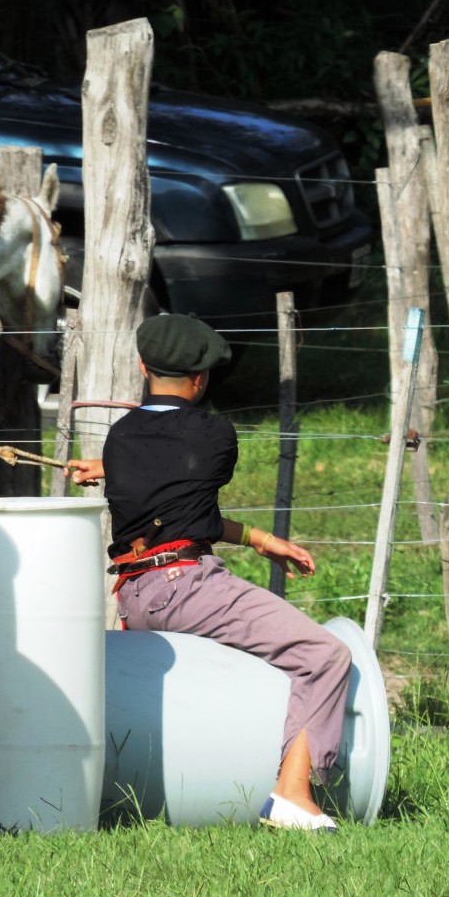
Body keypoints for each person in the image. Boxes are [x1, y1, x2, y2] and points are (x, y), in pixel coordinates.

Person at [67, 313, 352, 832]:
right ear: (200, 379)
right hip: (187, 588)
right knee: (323, 654)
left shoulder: (119, 438)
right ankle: (293, 793)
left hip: (135, 595)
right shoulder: (216, 435)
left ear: (141, 366)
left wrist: (262, 540)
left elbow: (177, 502)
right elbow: (188, 493)